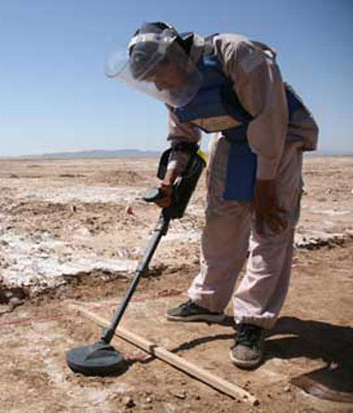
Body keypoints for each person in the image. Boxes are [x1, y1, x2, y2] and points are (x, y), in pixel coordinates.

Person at [106, 22, 319, 368]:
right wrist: (169, 180)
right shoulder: (173, 87)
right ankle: (208, 301)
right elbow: (183, 139)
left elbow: (270, 120)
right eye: (150, 81)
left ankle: (253, 321)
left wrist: (265, 186)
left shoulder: (235, 53)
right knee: (220, 225)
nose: (158, 85)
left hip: (279, 137)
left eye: (158, 75)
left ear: (174, 56)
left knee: (269, 227)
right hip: (232, 141)